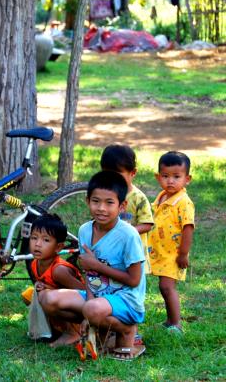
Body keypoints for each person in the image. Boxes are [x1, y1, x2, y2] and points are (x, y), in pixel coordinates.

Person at [40, 171, 146, 360]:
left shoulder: (128, 235)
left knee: (92, 309)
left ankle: (127, 330)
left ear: (122, 206)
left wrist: (98, 266)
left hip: (127, 300)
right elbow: (90, 275)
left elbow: (134, 280)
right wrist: (89, 301)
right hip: (98, 297)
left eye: (109, 203)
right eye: (96, 201)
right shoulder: (84, 230)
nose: (101, 208)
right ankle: (98, 329)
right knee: (47, 298)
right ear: (87, 201)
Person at [100, 144, 153, 345]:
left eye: (119, 174)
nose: (113, 179)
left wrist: (125, 233)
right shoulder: (107, 195)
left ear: (133, 173)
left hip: (133, 256)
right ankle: (111, 327)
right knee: (113, 288)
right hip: (113, 256)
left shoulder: (138, 197)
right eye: (108, 174)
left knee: (133, 293)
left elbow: (148, 223)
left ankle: (133, 331)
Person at [148, 151, 195, 334]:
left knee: (167, 287)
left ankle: (176, 324)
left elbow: (188, 229)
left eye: (177, 177)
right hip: (160, 250)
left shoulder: (184, 202)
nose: (170, 181)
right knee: (163, 286)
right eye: (166, 176)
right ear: (158, 177)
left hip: (174, 254)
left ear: (187, 179)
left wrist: (183, 254)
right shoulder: (162, 196)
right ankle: (169, 320)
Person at [21, 213, 85, 345]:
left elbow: (83, 292)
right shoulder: (35, 263)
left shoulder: (59, 270)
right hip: (56, 304)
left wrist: (48, 289)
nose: (37, 244)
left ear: (58, 247)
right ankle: (54, 329)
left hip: (81, 313)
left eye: (46, 240)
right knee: (28, 295)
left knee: (44, 296)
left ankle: (73, 332)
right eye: (34, 238)